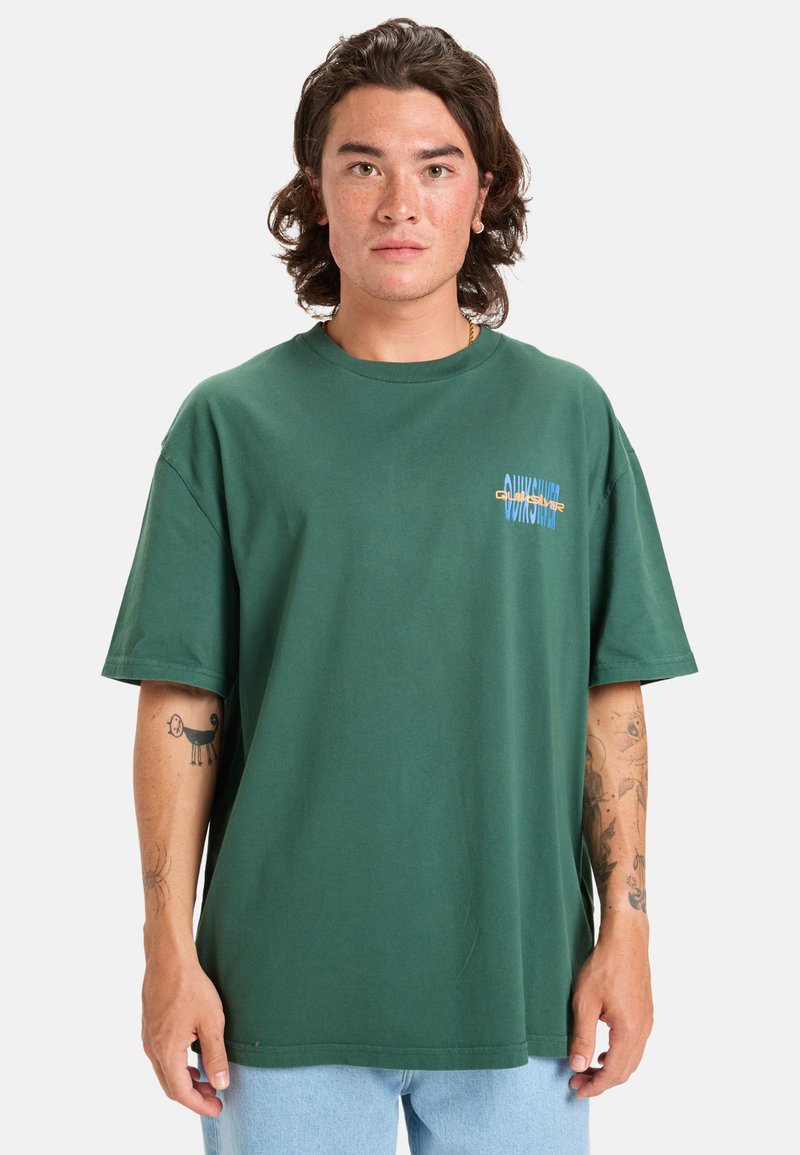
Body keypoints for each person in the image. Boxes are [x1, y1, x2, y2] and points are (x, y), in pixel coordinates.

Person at [101, 16, 697, 1155]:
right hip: (275, 996)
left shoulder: (566, 416)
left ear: (483, 196)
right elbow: (182, 705)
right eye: (362, 166)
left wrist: (628, 932)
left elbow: (608, 696)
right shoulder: (229, 423)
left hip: (521, 993)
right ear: (315, 194)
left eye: (436, 167)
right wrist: (165, 951)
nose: (399, 204)